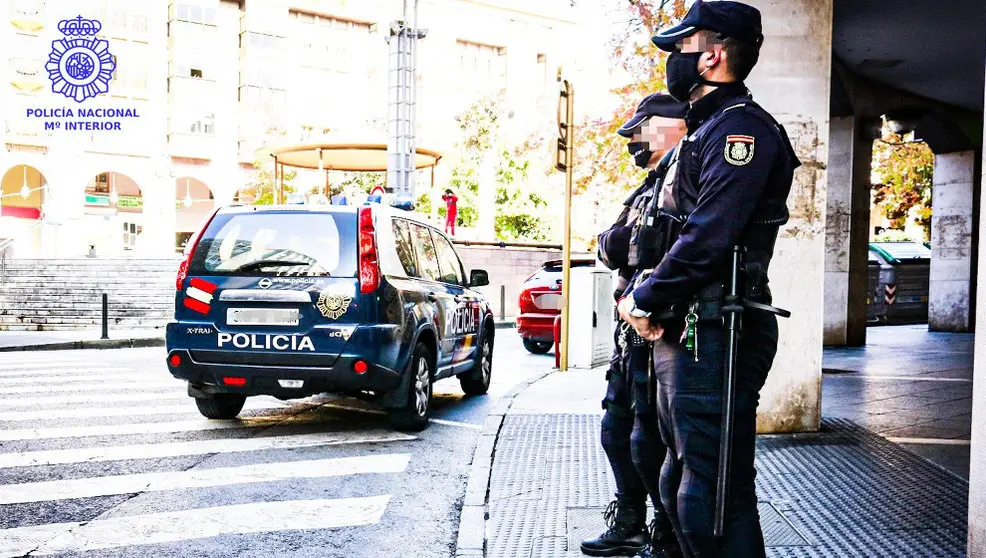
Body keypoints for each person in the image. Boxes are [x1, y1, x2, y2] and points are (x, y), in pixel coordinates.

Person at [616, 1, 800, 556]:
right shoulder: (709, 130)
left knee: (713, 500)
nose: (673, 58)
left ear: (714, 55)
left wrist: (646, 297)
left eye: (682, 47)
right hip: (691, 327)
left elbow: (709, 235)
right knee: (679, 483)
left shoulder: (741, 131)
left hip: (718, 328)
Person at [582, 94, 688, 558]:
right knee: (615, 429)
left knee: (652, 441)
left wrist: (628, 243)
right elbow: (610, 242)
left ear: (669, 126)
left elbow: (651, 242)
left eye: (639, 132)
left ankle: (664, 531)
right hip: (631, 336)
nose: (633, 144)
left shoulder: (686, 172)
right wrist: (626, 243)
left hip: (661, 329)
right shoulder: (649, 185)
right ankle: (630, 521)